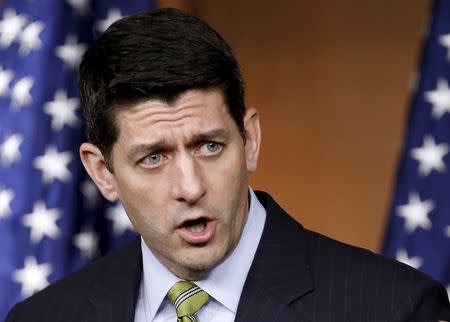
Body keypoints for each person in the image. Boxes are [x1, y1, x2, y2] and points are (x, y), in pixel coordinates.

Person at [5, 7, 450, 322]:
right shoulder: (43, 316)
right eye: (154, 157)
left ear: (249, 139)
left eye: (209, 146)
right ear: (103, 172)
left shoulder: (393, 308)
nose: (190, 186)